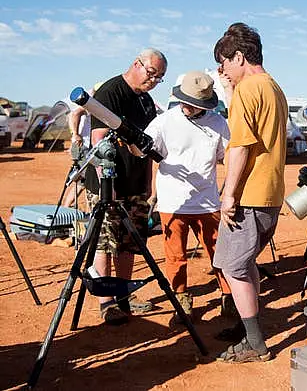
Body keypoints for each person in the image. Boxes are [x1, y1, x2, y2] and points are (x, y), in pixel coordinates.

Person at [212, 22, 287, 363]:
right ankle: (249, 328)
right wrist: (231, 90)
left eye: (224, 62)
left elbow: (241, 145)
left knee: (234, 268)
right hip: (269, 193)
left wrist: (229, 194)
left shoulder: (248, 91)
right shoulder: (272, 86)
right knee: (246, 263)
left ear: (239, 56)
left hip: (248, 195)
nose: (221, 70)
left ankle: (255, 343)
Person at [143, 70, 235, 324]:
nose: (187, 106)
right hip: (173, 202)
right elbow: (144, 148)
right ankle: (180, 298)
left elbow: (226, 157)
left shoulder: (218, 123)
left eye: (193, 103)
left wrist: (230, 191)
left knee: (219, 252)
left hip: (207, 201)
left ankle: (229, 295)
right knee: (175, 256)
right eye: (185, 100)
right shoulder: (164, 122)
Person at [84, 48, 167, 325]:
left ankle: (123, 296)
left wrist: (147, 186)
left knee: (130, 243)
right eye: (152, 73)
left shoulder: (145, 100)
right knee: (105, 243)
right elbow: (98, 142)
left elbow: (147, 143)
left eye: (159, 78)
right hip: (108, 187)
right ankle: (106, 302)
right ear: (137, 64)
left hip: (135, 185)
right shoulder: (110, 92)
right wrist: (109, 187)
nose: (154, 81)